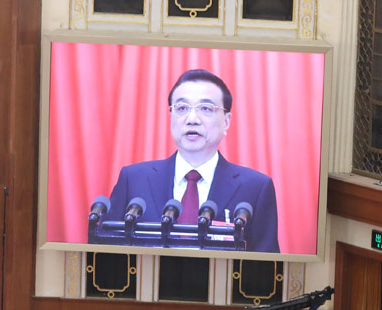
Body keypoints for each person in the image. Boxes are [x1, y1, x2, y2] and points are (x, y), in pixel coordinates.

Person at [102, 69, 279, 252]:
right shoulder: (133, 180)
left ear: (226, 121)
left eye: (206, 108)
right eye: (182, 108)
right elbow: (107, 251)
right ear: (171, 116)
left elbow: (266, 263)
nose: (192, 119)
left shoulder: (255, 188)